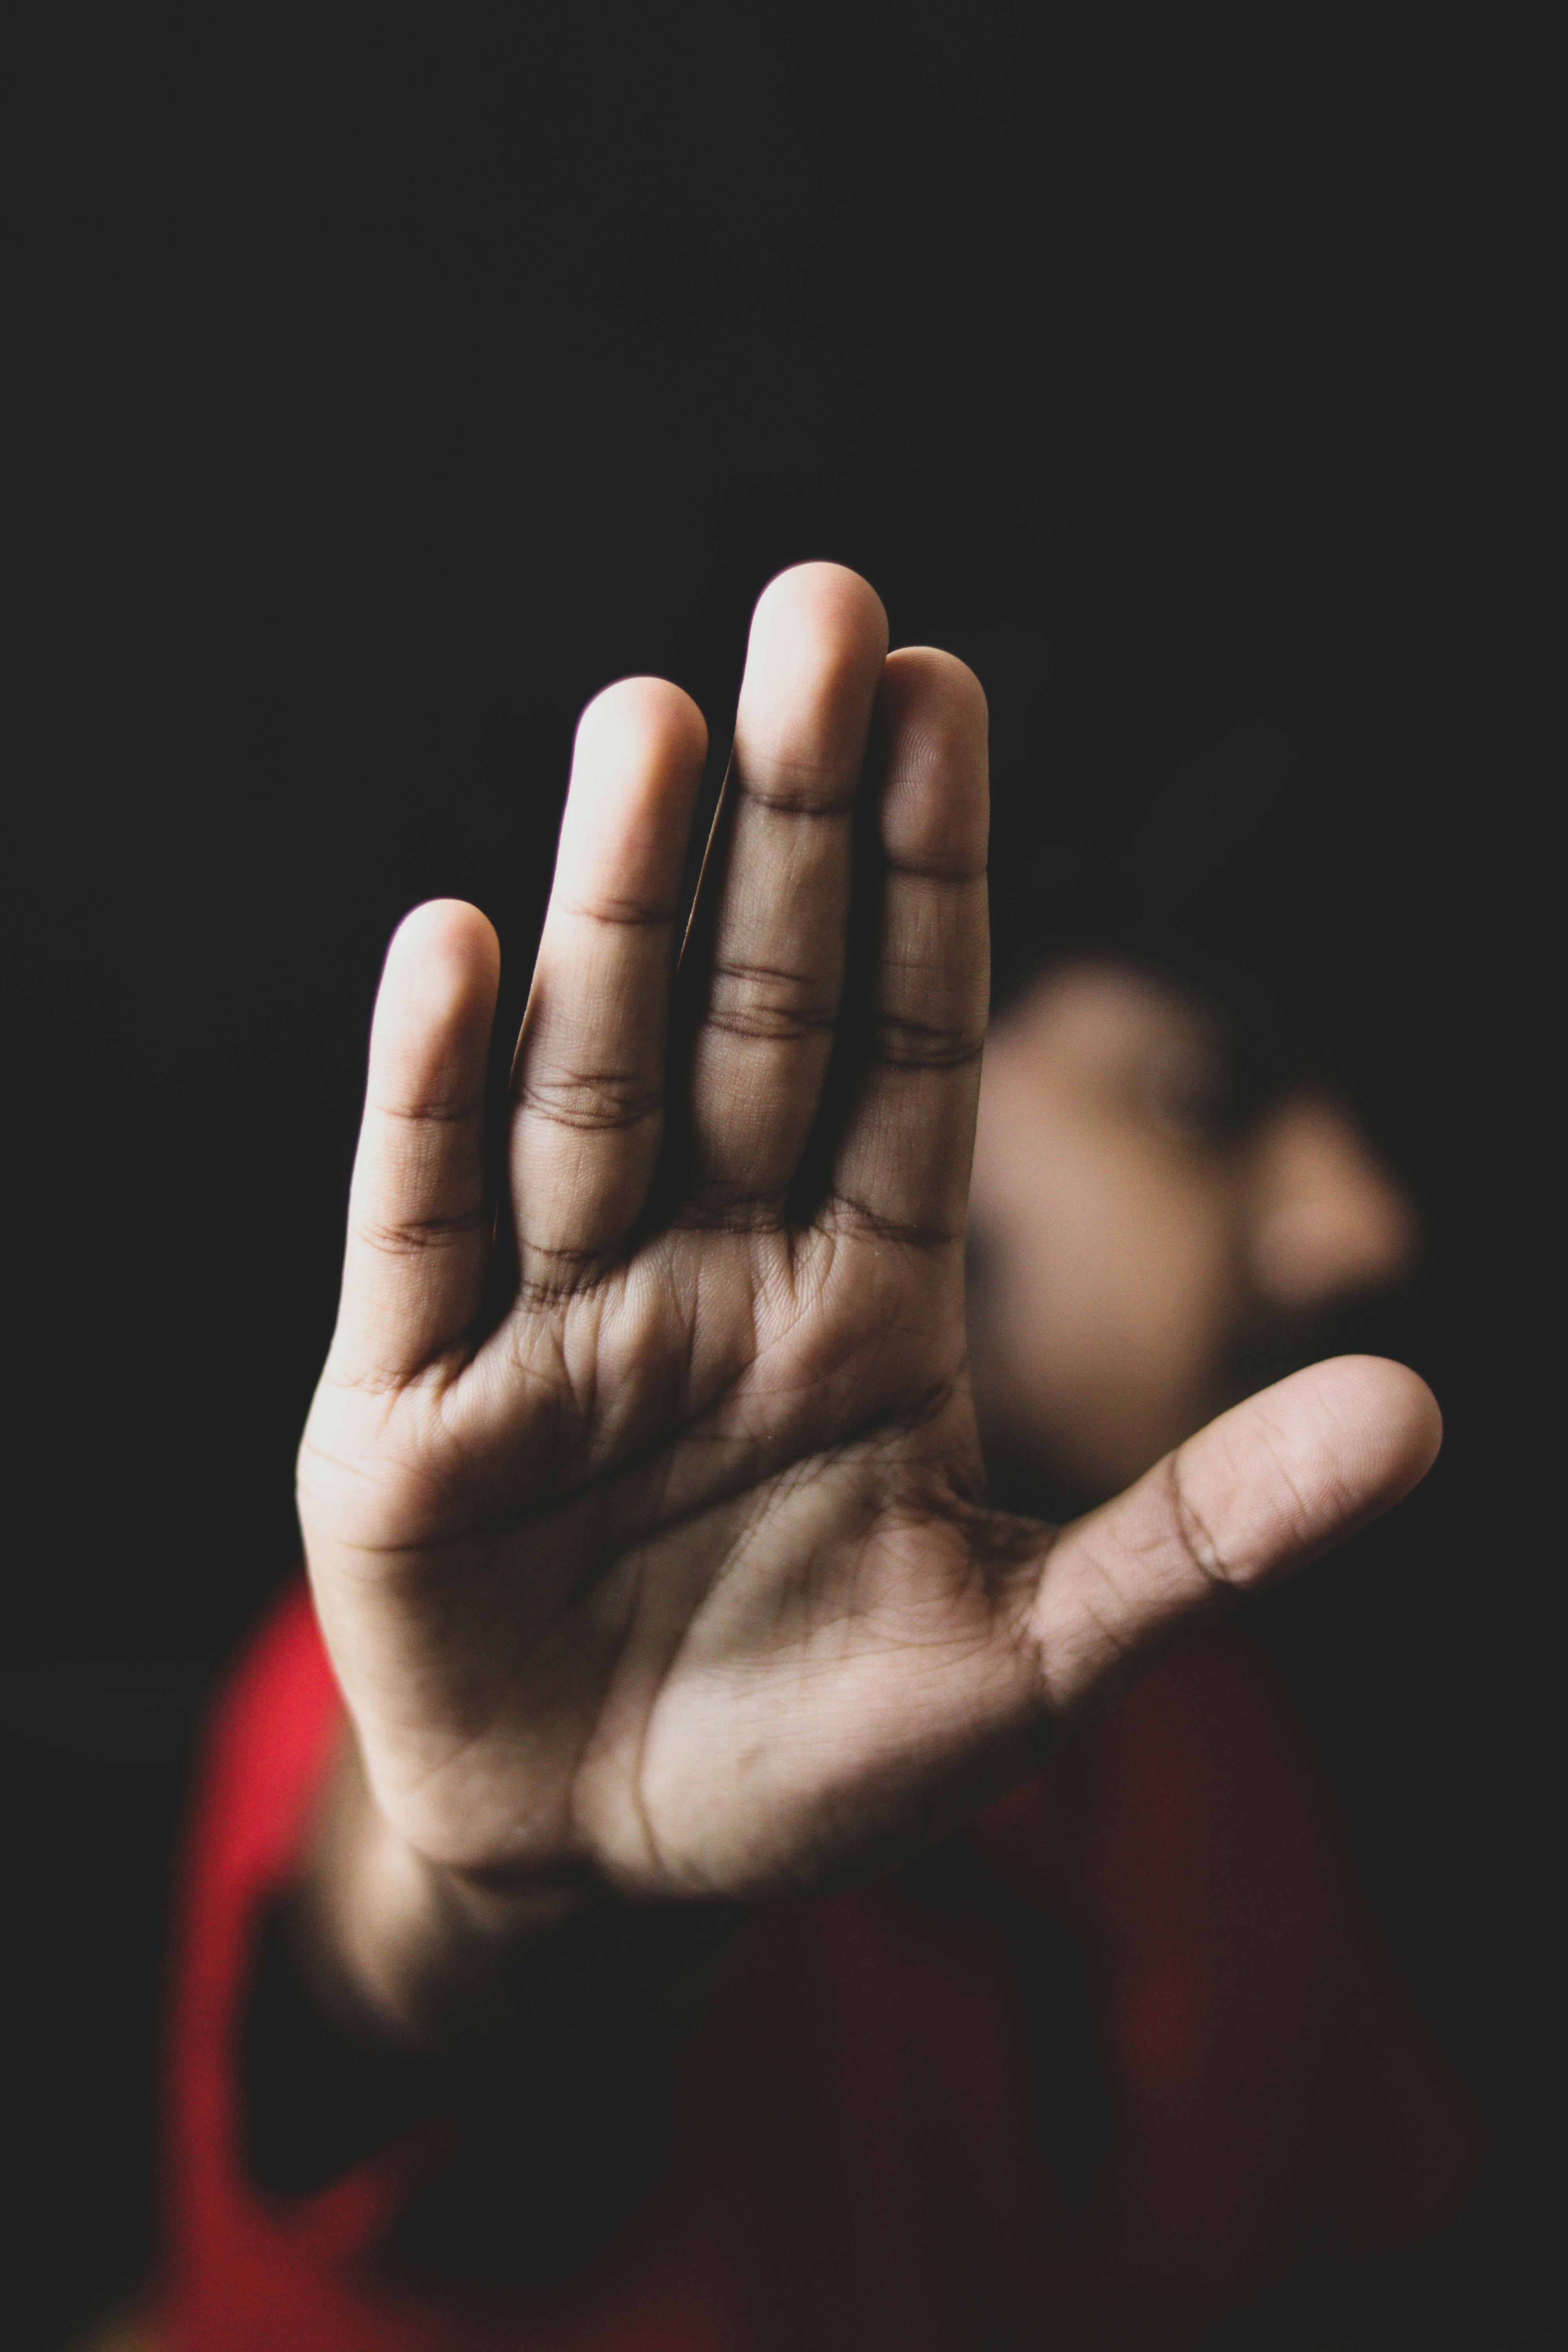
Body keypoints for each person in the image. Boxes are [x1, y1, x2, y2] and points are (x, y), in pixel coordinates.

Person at [154, 564, 1489, 2349]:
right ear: (895, 1057)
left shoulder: (1202, 1730)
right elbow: (415, 2091)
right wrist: (515, 1901)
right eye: (1203, 1097)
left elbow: (1386, 2246)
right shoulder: (471, 1640)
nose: (1358, 1227)